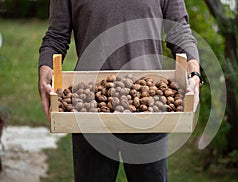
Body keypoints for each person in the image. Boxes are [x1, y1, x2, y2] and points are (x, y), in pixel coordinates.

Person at [38, 0, 202, 181]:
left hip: (149, 111)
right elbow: (56, 36)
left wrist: (194, 73)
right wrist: (45, 75)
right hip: (89, 112)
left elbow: (179, 32)